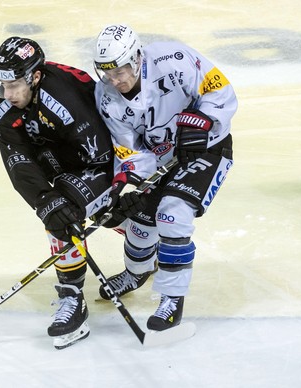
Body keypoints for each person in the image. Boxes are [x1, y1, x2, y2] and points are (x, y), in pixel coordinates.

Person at [92, 24, 237, 331]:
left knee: (173, 214)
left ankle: (172, 298)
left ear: (137, 58)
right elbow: (127, 148)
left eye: (120, 71)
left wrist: (203, 122)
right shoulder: (106, 96)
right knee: (141, 227)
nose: (115, 80)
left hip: (205, 149)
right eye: (107, 73)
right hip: (159, 160)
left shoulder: (175, 59)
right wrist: (128, 184)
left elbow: (219, 90)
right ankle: (136, 272)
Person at [0, 37, 115, 349]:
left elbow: (102, 157)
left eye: (15, 84)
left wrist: (73, 202)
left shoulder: (65, 100)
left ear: (36, 77)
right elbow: (18, 162)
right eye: (3, 84)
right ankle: (73, 299)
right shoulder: (0, 109)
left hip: (102, 156)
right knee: (55, 212)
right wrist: (45, 198)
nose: (8, 94)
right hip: (57, 153)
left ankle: (140, 248)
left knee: (86, 211)